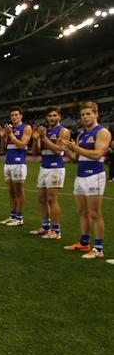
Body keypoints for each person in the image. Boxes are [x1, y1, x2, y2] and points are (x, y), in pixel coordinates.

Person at [60, 102, 111, 259]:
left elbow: (97, 154)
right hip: (80, 176)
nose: (85, 117)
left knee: (95, 213)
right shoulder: (81, 136)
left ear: (96, 114)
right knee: (82, 212)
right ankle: (84, 243)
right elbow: (76, 159)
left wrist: (76, 149)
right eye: (82, 114)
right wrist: (66, 149)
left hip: (94, 176)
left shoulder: (102, 132)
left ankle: (98, 248)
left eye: (88, 113)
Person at [30, 107, 70, 239]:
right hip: (44, 167)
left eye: (54, 115)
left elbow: (59, 150)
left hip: (56, 167)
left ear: (59, 116)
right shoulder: (46, 132)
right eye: (50, 116)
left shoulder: (63, 131)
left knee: (52, 199)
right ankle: (46, 227)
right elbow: (35, 153)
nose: (52, 118)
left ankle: (56, 231)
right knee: (42, 199)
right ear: (47, 118)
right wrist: (36, 140)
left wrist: (44, 137)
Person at [0, 106, 32, 226]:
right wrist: (2, 138)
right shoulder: (9, 130)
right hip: (8, 162)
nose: (14, 117)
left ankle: (19, 218)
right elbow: (2, 149)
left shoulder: (26, 128)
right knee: (11, 191)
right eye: (12, 115)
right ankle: (13, 216)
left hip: (19, 163)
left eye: (16, 115)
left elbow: (22, 145)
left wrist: (11, 135)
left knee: (19, 191)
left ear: (21, 116)